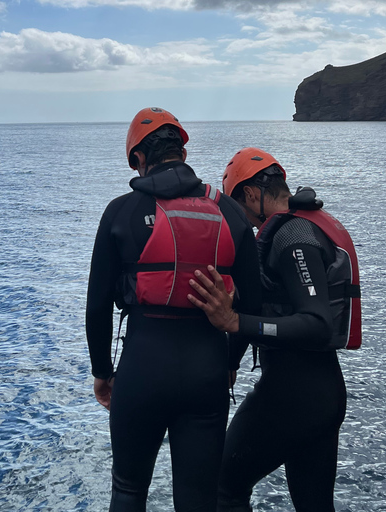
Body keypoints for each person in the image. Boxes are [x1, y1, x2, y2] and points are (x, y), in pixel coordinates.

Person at [85, 109, 262, 512]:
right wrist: (230, 361)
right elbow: (253, 303)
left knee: (128, 490)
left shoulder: (120, 211)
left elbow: (97, 306)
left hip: (142, 367)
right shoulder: (232, 213)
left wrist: (102, 373)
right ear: (182, 151)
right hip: (208, 371)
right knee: (198, 501)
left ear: (138, 159)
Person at [187, 147, 361, 512]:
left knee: (222, 487)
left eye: (240, 208)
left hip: (294, 397)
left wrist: (233, 322)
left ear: (253, 193)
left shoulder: (292, 236)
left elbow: (316, 324)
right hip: (320, 395)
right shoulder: (301, 225)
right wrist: (231, 361)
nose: (246, 221)